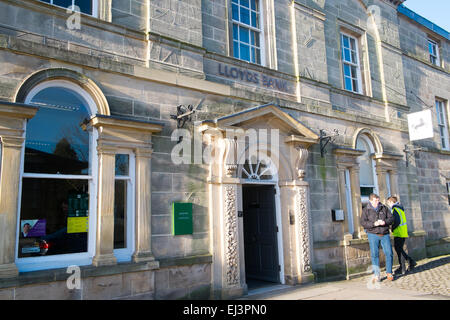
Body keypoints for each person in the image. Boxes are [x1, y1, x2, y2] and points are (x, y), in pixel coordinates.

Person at [361, 193, 394, 282]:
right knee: (375, 255)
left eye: (378, 200)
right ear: (371, 201)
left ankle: (389, 272)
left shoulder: (384, 208)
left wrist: (385, 222)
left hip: (384, 234)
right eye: (375, 200)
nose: (377, 202)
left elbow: (391, 218)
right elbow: (363, 223)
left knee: (389, 253)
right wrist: (373, 224)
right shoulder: (366, 210)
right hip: (372, 234)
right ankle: (377, 275)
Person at [386, 196, 417, 275]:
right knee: (399, 249)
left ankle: (404, 266)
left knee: (399, 250)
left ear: (391, 202)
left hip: (399, 232)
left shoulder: (395, 209)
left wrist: (392, 228)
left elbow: (397, 221)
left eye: (388, 203)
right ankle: (407, 264)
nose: (388, 205)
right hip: (402, 232)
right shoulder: (400, 208)